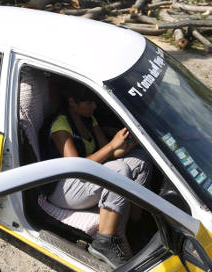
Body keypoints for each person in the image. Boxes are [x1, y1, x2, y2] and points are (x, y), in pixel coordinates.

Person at [47, 83, 152, 268]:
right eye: (89, 103)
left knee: (140, 160)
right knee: (120, 170)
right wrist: (112, 145)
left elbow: (108, 153)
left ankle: (136, 223)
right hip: (63, 189)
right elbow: (75, 167)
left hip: (87, 177)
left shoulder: (89, 119)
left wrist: (128, 144)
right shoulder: (61, 125)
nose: (94, 107)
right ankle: (104, 242)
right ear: (72, 102)